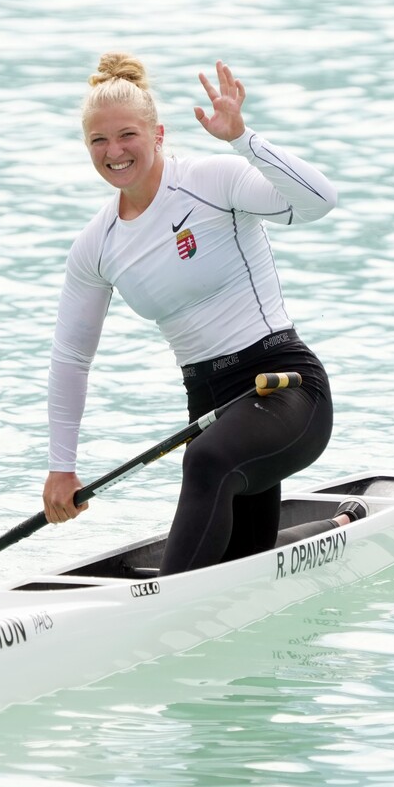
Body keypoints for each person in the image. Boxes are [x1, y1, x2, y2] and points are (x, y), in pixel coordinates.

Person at [43, 52, 345, 576]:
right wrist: (61, 468)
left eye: (127, 135)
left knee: (205, 462)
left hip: (286, 388)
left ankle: (157, 607)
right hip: (210, 409)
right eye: (99, 141)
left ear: (157, 134)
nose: (114, 152)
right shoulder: (97, 245)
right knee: (241, 562)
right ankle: (338, 528)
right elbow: (71, 356)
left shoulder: (214, 180)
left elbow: (319, 201)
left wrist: (242, 138)